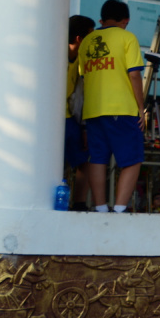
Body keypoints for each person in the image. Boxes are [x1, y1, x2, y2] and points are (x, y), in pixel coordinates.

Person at [78, 0, 146, 213]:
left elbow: (84, 77)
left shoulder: (87, 41)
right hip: (121, 108)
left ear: (102, 18)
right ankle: (119, 209)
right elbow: (134, 75)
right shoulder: (127, 37)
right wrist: (141, 108)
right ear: (125, 20)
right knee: (133, 159)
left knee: (98, 158)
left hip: (93, 109)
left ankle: (100, 208)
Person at [65, 15, 95, 210]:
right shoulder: (54, 53)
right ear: (79, 39)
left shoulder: (80, 60)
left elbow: (79, 94)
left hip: (68, 117)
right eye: (90, 37)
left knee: (86, 158)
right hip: (54, 117)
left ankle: (79, 203)